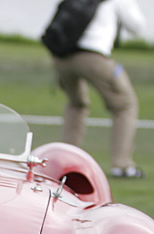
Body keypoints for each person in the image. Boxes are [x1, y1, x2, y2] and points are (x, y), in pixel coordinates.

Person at [51, 0, 147, 179]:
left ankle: (66, 162)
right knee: (125, 105)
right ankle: (122, 165)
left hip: (62, 59)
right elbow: (137, 27)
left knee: (76, 104)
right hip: (94, 58)